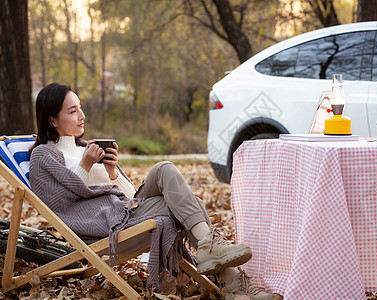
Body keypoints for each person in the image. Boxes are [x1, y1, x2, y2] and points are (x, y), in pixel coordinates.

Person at [29, 83, 273, 300]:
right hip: (104, 224)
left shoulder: (85, 146)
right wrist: (85, 166)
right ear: (52, 120)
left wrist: (113, 172)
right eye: (72, 112)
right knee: (189, 205)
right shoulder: (44, 155)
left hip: (124, 210)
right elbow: (61, 205)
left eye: (80, 108)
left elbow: (129, 195)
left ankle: (214, 254)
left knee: (164, 169)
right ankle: (232, 281)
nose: (82, 116)